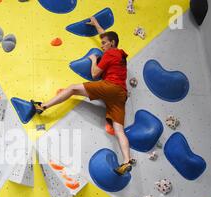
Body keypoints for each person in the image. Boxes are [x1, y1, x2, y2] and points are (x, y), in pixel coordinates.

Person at [31, 17, 134, 175]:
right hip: (121, 95)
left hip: (110, 87)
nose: (102, 46)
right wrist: (97, 24)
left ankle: (42, 106)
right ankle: (126, 161)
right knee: (119, 130)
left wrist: (94, 60)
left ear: (112, 43)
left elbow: (94, 74)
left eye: (104, 43)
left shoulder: (110, 53)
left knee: (72, 88)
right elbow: (106, 35)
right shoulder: (120, 55)